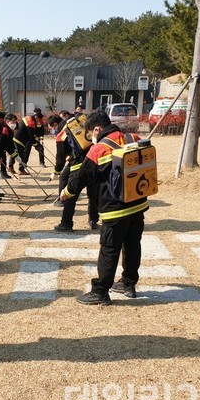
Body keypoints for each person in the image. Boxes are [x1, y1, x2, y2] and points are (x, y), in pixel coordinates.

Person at [60, 110, 150, 305]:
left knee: (109, 249)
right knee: (133, 245)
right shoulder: (133, 137)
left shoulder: (99, 149)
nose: (91, 135)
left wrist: (67, 192)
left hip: (114, 209)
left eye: (91, 131)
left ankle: (100, 291)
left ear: (98, 129)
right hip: (138, 203)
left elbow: (82, 176)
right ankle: (128, 283)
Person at [52, 111, 100, 232]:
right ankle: (93, 220)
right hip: (93, 162)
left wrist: (57, 171)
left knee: (71, 195)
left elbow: (60, 158)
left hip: (77, 166)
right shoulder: (83, 127)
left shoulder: (62, 135)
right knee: (93, 194)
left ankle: (66, 223)